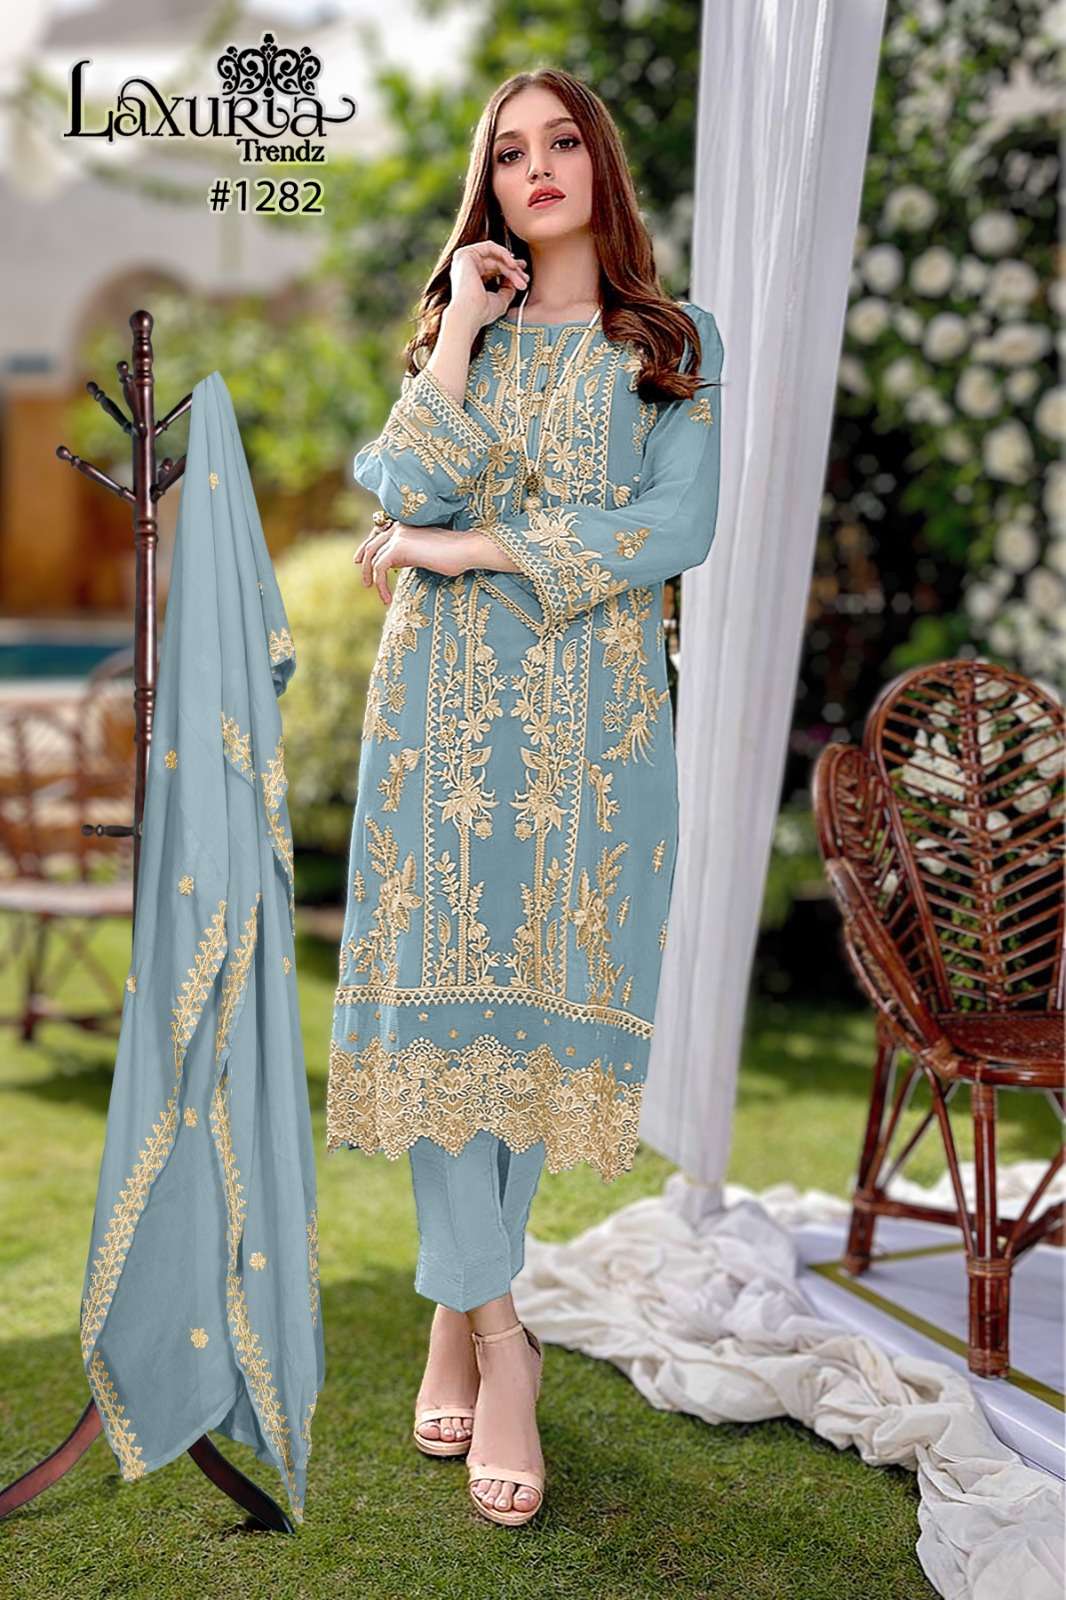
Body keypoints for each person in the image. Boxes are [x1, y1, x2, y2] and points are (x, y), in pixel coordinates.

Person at [327, 65, 725, 1527]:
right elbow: (396, 483)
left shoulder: (669, 342)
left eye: (561, 143)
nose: (537, 167)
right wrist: (460, 333)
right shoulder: (466, 332)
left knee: (532, 1014)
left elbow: (673, 526)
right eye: (508, 152)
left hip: (593, 728)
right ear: (486, 187)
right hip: (437, 721)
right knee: (445, 1011)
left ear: (599, 166)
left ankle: (458, 1308)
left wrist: (467, 552)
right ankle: (500, 1343)